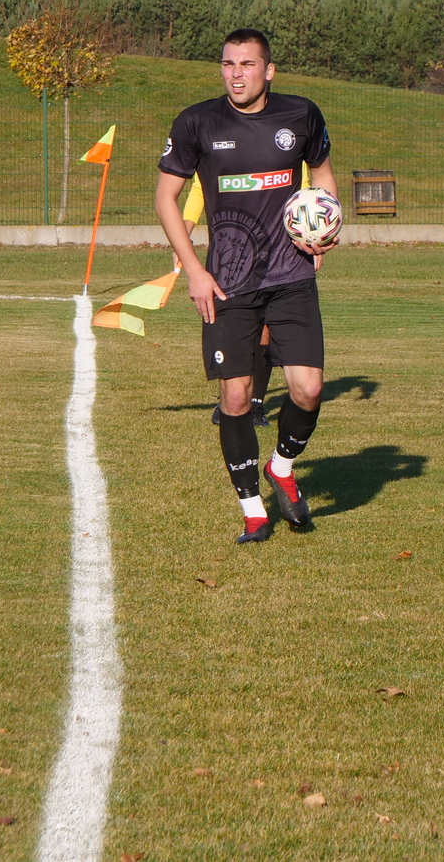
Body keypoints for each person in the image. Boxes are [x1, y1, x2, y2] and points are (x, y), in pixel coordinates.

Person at [156, 28, 338, 544]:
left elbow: (323, 175)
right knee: (235, 398)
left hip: (291, 276)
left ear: (269, 70)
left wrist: (324, 228)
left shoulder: (301, 115)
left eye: (247, 64)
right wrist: (194, 270)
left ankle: (282, 466)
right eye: (228, 64)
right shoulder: (197, 122)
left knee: (308, 389)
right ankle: (254, 511)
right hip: (228, 282)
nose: (236, 74)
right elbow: (166, 199)